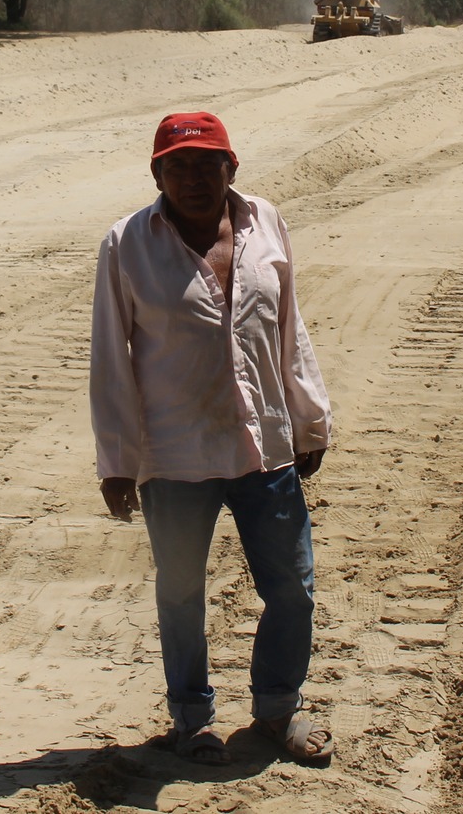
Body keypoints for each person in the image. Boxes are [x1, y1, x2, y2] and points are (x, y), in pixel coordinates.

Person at [90, 111, 335, 767]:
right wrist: (117, 459)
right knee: (179, 590)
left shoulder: (266, 221)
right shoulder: (126, 243)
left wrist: (308, 416)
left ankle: (278, 708)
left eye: (208, 165)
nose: (194, 179)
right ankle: (191, 719)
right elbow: (111, 354)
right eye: (179, 167)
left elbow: (289, 325)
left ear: (232, 167)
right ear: (157, 173)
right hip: (174, 451)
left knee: (292, 585)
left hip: (264, 443)